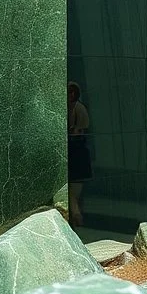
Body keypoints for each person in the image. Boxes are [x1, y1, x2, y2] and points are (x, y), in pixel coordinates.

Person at [67, 82, 91, 226]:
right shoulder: (69, 108)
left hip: (77, 151)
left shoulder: (79, 108)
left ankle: (76, 216)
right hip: (72, 150)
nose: (70, 95)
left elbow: (80, 130)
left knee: (74, 190)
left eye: (72, 92)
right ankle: (75, 215)